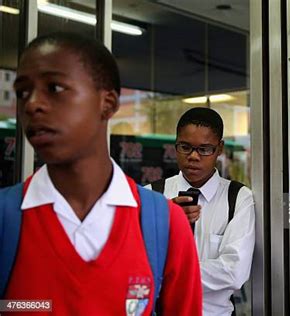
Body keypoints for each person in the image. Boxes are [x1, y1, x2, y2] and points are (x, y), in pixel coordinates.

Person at [1, 32, 201, 315]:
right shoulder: (5, 221)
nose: (32, 104)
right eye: (22, 92)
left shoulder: (164, 226)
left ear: (107, 103)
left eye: (55, 88)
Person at [148, 107, 255, 316]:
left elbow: (233, 271)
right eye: (185, 147)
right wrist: (164, 220)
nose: (194, 157)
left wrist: (168, 272)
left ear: (220, 148)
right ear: (175, 145)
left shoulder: (238, 198)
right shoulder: (152, 195)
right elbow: (137, 262)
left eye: (205, 149)